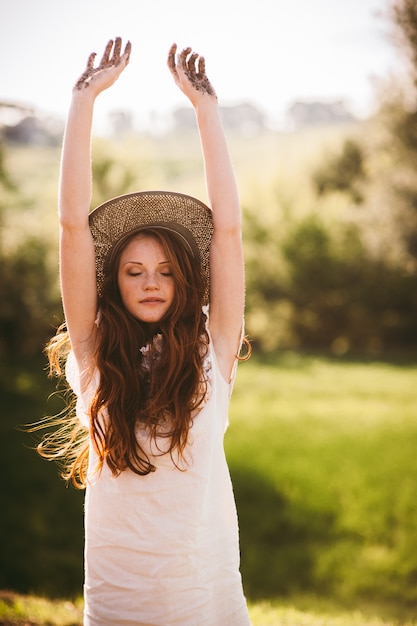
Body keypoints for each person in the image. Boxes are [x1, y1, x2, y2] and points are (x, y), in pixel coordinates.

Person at [41, 36, 251, 625]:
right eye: (134, 272)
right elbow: (71, 227)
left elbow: (228, 232)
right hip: (117, 601)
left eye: (165, 271)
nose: (151, 282)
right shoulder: (94, 356)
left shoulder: (215, 354)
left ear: (187, 280)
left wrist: (206, 111)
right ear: (116, 283)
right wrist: (82, 103)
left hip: (202, 598)